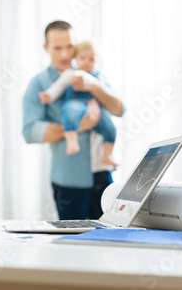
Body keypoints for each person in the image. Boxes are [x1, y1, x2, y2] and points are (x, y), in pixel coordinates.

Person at [22, 21, 124, 220]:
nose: (64, 54)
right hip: (68, 180)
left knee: (109, 241)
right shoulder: (39, 83)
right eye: (57, 48)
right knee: (74, 245)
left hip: (104, 175)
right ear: (46, 48)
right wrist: (78, 127)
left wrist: (94, 85)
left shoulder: (95, 73)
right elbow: (30, 130)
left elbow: (119, 109)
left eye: (69, 46)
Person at [39, 41, 118, 167]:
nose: (87, 62)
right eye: (82, 58)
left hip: (95, 106)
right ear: (76, 58)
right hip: (76, 101)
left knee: (111, 127)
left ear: (98, 60)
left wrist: (96, 87)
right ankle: (72, 140)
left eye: (91, 59)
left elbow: (116, 103)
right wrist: (49, 94)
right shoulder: (71, 73)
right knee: (70, 111)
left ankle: (107, 155)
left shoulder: (100, 76)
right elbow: (59, 86)